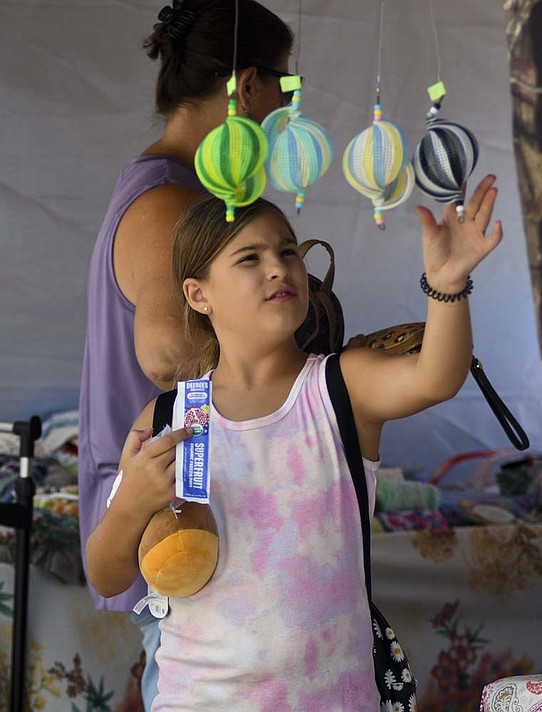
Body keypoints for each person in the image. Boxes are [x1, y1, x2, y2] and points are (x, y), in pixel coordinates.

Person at [85, 175, 502, 710]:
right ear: (198, 294)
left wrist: (448, 285)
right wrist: (132, 505)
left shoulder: (339, 388)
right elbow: (106, 572)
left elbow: (436, 378)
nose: (279, 267)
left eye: (287, 251)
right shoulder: (172, 414)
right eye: (249, 258)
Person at [77, 1, 295, 708]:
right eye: (283, 91)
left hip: (181, 508)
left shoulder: (186, 190)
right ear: (248, 87)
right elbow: (169, 355)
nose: (280, 112)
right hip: (164, 503)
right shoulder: (169, 201)